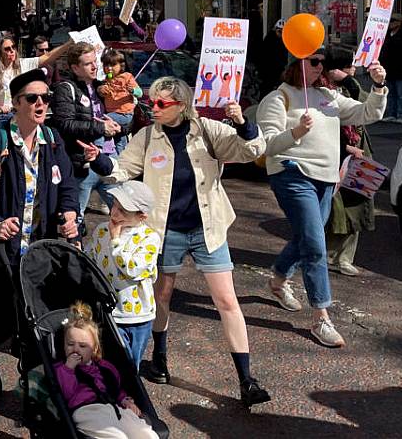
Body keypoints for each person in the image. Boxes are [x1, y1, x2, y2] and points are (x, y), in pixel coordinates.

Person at [85, 76, 270, 407]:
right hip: (165, 230)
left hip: (207, 227)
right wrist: (97, 158)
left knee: (227, 300)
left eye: (161, 103)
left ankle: (247, 379)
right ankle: (160, 359)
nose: (152, 108)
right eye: (152, 102)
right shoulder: (146, 137)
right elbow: (119, 171)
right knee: (162, 296)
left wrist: (242, 122)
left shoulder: (207, 130)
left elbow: (251, 150)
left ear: (181, 106)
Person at [256, 53, 387, 348]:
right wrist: (297, 132)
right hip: (293, 175)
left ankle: (277, 281)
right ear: (295, 63)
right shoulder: (277, 99)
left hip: (326, 178)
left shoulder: (328, 95)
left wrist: (378, 87)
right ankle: (321, 318)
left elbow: (368, 113)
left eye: (322, 62)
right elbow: (268, 144)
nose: (320, 67)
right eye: (313, 61)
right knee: (315, 244)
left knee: (306, 237)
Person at [0, 68, 79, 396]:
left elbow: (67, 184)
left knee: (38, 321)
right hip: (2, 251)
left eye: (46, 97)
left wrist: (70, 213)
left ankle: (33, 394)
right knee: (3, 315)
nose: (42, 103)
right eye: (33, 98)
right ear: (15, 103)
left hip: (41, 252)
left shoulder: (53, 141)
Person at [54, 301, 159, 439]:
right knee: (117, 436)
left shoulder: (104, 367)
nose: (75, 349)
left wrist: (124, 400)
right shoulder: (62, 369)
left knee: (146, 434)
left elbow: (115, 387)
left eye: (82, 346)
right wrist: (68, 369)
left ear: (94, 349)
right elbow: (66, 394)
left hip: (113, 407)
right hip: (87, 411)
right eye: (70, 344)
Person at [83, 181, 160, 365]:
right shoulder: (102, 230)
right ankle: (107, 392)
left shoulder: (149, 238)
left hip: (137, 315)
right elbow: (90, 259)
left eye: (123, 211)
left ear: (142, 216)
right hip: (108, 311)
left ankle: (127, 393)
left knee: (130, 364)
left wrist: (116, 241)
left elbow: (132, 269)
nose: (115, 213)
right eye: (115, 205)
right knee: (107, 362)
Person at [50, 42, 122, 225]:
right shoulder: (65, 88)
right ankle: (74, 248)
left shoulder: (101, 87)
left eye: (95, 61)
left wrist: (119, 125)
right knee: (74, 217)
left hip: (108, 157)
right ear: (75, 67)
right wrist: (101, 128)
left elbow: (119, 116)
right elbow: (64, 124)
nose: (95, 66)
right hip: (83, 162)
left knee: (123, 210)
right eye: (88, 63)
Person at [320, 51, 376, 277]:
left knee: (358, 203)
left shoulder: (349, 86)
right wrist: (345, 147)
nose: (352, 71)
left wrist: (348, 80)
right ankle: (325, 255)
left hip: (360, 153)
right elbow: (321, 125)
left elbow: (366, 106)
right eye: (347, 67)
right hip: (335, 155)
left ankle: (345, 257)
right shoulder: (321, 90)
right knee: (336, 210)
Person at [0, 34, 70, 125]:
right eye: (7, 49)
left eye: (13, 47)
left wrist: (69, 43)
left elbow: (47, 57)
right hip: (5, 115)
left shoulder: (23, 64)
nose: (12, 51)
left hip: (26, 112)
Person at [98, 49, 141, 153]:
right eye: (106, 65)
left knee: (100, 123)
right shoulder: (107, 79)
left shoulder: (127, 77)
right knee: (119, 139)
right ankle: (122, 158)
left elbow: (140, 93)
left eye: (112, 65)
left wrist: (132, 90)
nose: (109, 68)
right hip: (112, 113)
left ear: (121, 65)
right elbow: (101, 92)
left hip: (124, 114)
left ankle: (98, 147)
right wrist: (101, 90)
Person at [256, 19, 288, 96]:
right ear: (275, 30)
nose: (281, 34)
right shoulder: (269, 41)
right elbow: (265, 57)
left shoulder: (284, 41)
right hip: (268, 71)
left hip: (277, 71)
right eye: (279, 31)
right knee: (266, 91)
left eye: (283, 32)